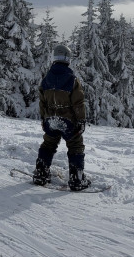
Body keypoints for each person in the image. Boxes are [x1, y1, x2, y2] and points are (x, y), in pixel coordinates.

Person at [33, 44, 91, 191]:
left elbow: (42, 102)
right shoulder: (71, 79)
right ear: (67, 59)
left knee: (48, 144)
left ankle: (41, 173)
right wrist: (81, 120)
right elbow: (78, 103)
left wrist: (43, 119)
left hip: (51, 119)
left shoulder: (46, 79)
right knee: (76, 146)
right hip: (68, 121)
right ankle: (76, 179)